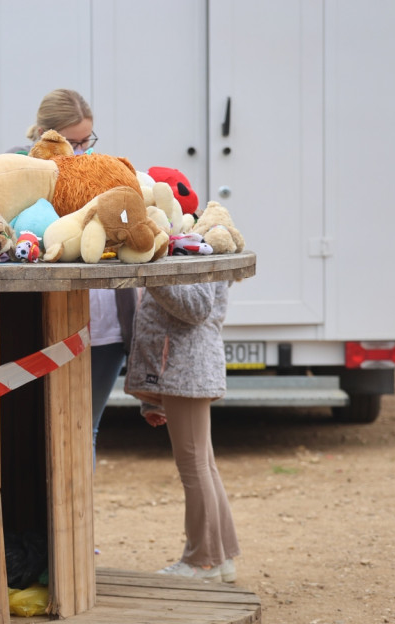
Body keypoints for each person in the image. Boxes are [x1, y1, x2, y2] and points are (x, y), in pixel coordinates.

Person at [21, 88, 137, 460]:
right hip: (41, 323)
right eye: (73, 142)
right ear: (46, 136)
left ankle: (78, 519)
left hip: (105, 328)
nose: (82, 149)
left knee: (85, 428)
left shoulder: (101, 171)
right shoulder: (21, 173)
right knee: (36, 430)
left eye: (87, 139)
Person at [124, 282, 240, 582]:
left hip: (185, 368)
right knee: (204, 465)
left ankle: (202, 561)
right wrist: (151, 397)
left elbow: (197, 307)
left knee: (195, 466)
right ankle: (221, 558)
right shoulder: (195, 244)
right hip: (182, 368)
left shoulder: (196, 249)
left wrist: (153, 274)